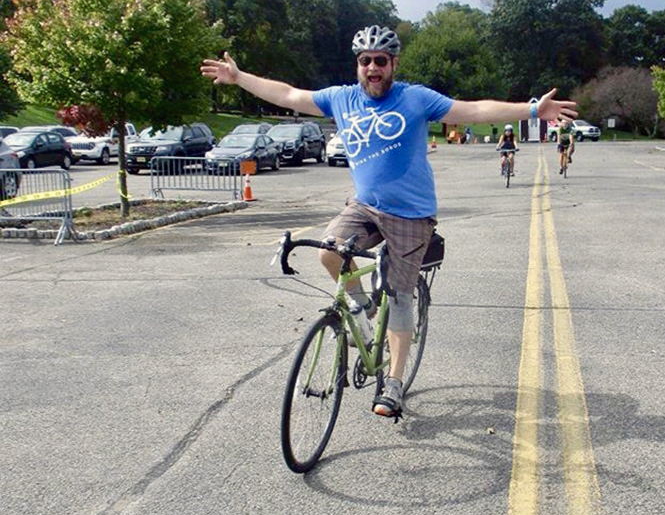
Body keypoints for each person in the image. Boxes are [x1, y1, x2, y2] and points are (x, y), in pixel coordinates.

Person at [201, 25, 577, 417]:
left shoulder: (414, 99)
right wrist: (239, 78)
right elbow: (289, 94)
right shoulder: (341, 99)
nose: (373, 68)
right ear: (358, 66)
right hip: (365, 207)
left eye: (381, 61)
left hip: (412, 215)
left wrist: (533, 110)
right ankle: (362, 310)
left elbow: (474, 110)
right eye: (366, 61)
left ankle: (394, 382)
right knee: (329, 253)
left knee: (399, 297)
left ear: (393, 64)